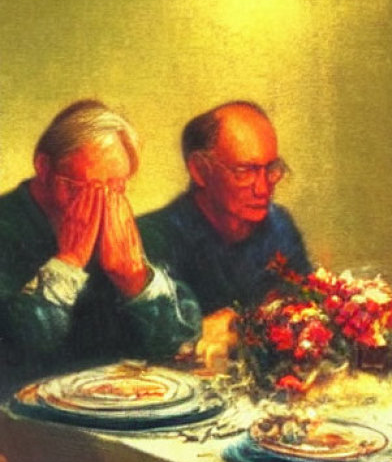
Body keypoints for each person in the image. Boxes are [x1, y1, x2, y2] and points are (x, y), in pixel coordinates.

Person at [0, 99, 200, 385]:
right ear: (44, 168)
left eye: (115, 189)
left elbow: (180, 341)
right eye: (85, 190)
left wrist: (135, 280)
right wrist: (68, 263)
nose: (100, 205)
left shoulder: (118, 224)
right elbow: (16, 351)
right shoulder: (6, 227)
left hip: (113, 406)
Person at [138, 100, 311, 364]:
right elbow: (161, 347)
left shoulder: (280, 227)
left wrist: (237, 326)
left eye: (271, 170)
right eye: (244, 171)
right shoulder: (153, 238)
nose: (263, 189)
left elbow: (306, 313)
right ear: (199, 170)